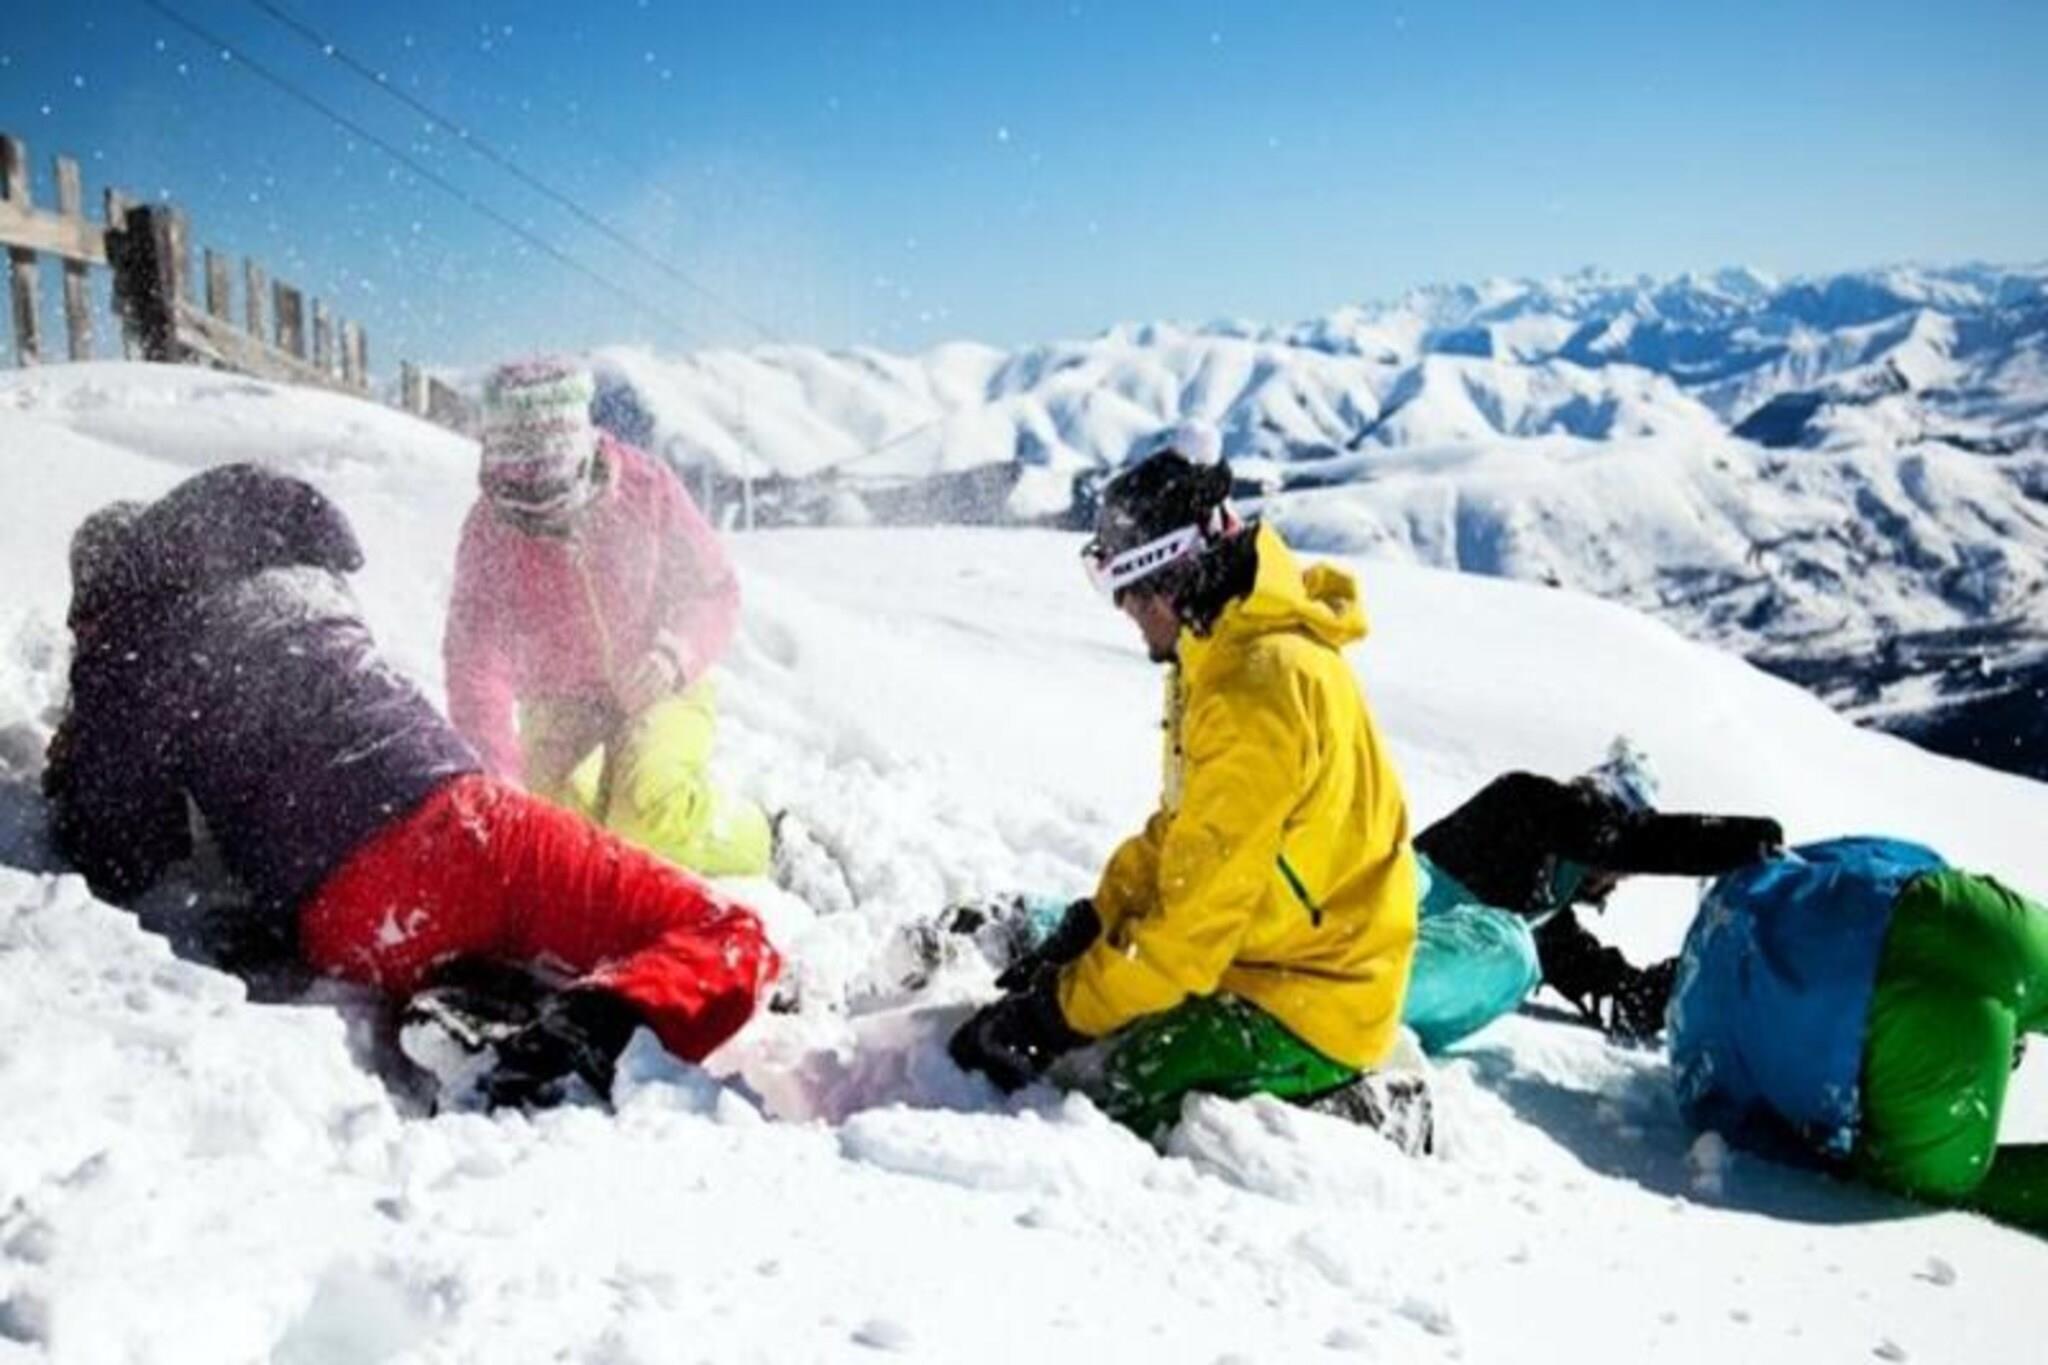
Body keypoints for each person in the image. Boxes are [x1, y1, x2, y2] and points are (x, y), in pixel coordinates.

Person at [43, 464, 779, 1108]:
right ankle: (581, 1037)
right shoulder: (298, 574)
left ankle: (482, 995)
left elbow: (123, 851)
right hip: (469, 833)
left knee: (488, 929)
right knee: (727, 933)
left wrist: (87, 737)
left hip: (345, 921)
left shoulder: (126, 657)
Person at [946, 430, 1427, 1148]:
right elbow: (1183, 835)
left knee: (1125, 1093)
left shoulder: (1255, 690)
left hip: (1317, 991)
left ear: (1173, 578)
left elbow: (1191, 930)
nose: (1125, 613)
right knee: (1109, 1027)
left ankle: (1365, 1108)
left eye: (1130, 595)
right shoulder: (1218, 645)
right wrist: (1097, 921)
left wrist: (1054, 1015)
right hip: (1265, 950)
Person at [443, 358, 772, 878]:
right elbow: (474, 661)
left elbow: (714, 590)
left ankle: (762, 835)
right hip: (560, 705)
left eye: (554, 500)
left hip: (661, 686)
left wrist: (674, 656)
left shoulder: (647, 488)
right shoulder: (488, 530)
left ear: (582, 456)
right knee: (553, 829)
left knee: (645, 810)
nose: (543, 525)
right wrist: (497, 772)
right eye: (523, 508)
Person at [1668, 837, 2048, 1235]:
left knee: (1949, 1179)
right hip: (1959, 916)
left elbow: (1777, 1141)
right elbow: (1899, 853)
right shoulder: (1739, 884)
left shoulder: (1691, 1062)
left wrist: (1864, 1157)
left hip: (1901, 1029)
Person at [1403, 743, 1784, 1050]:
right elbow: (1611, 840)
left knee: (1515, 956)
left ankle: (1385, 1023)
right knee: (1510, 949)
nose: (1617, 882)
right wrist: (1744, 842)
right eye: (1621, 869)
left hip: (1401, 981)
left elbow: (1618, 997)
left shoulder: (1542, 919)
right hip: (1388, 910)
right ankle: (1370, 1001)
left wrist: (1690, 975)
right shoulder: (1523, 803)